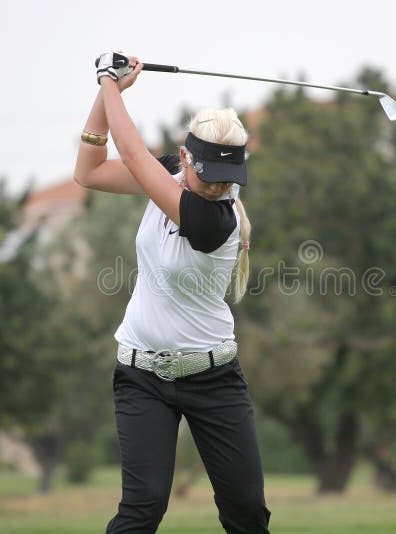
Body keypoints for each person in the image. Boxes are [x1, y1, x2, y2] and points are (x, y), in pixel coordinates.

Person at [73, 53, 271, 534]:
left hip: (213, 378)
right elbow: (90, 171)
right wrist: (106, 95)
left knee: (246, 512)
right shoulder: (174, 176)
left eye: (229, 177)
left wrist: (110, 82)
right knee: (142, 509)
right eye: (209, 173)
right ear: (185, 159)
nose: (219, 186)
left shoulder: (215, 219)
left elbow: (136, 156)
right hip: (141, 376)